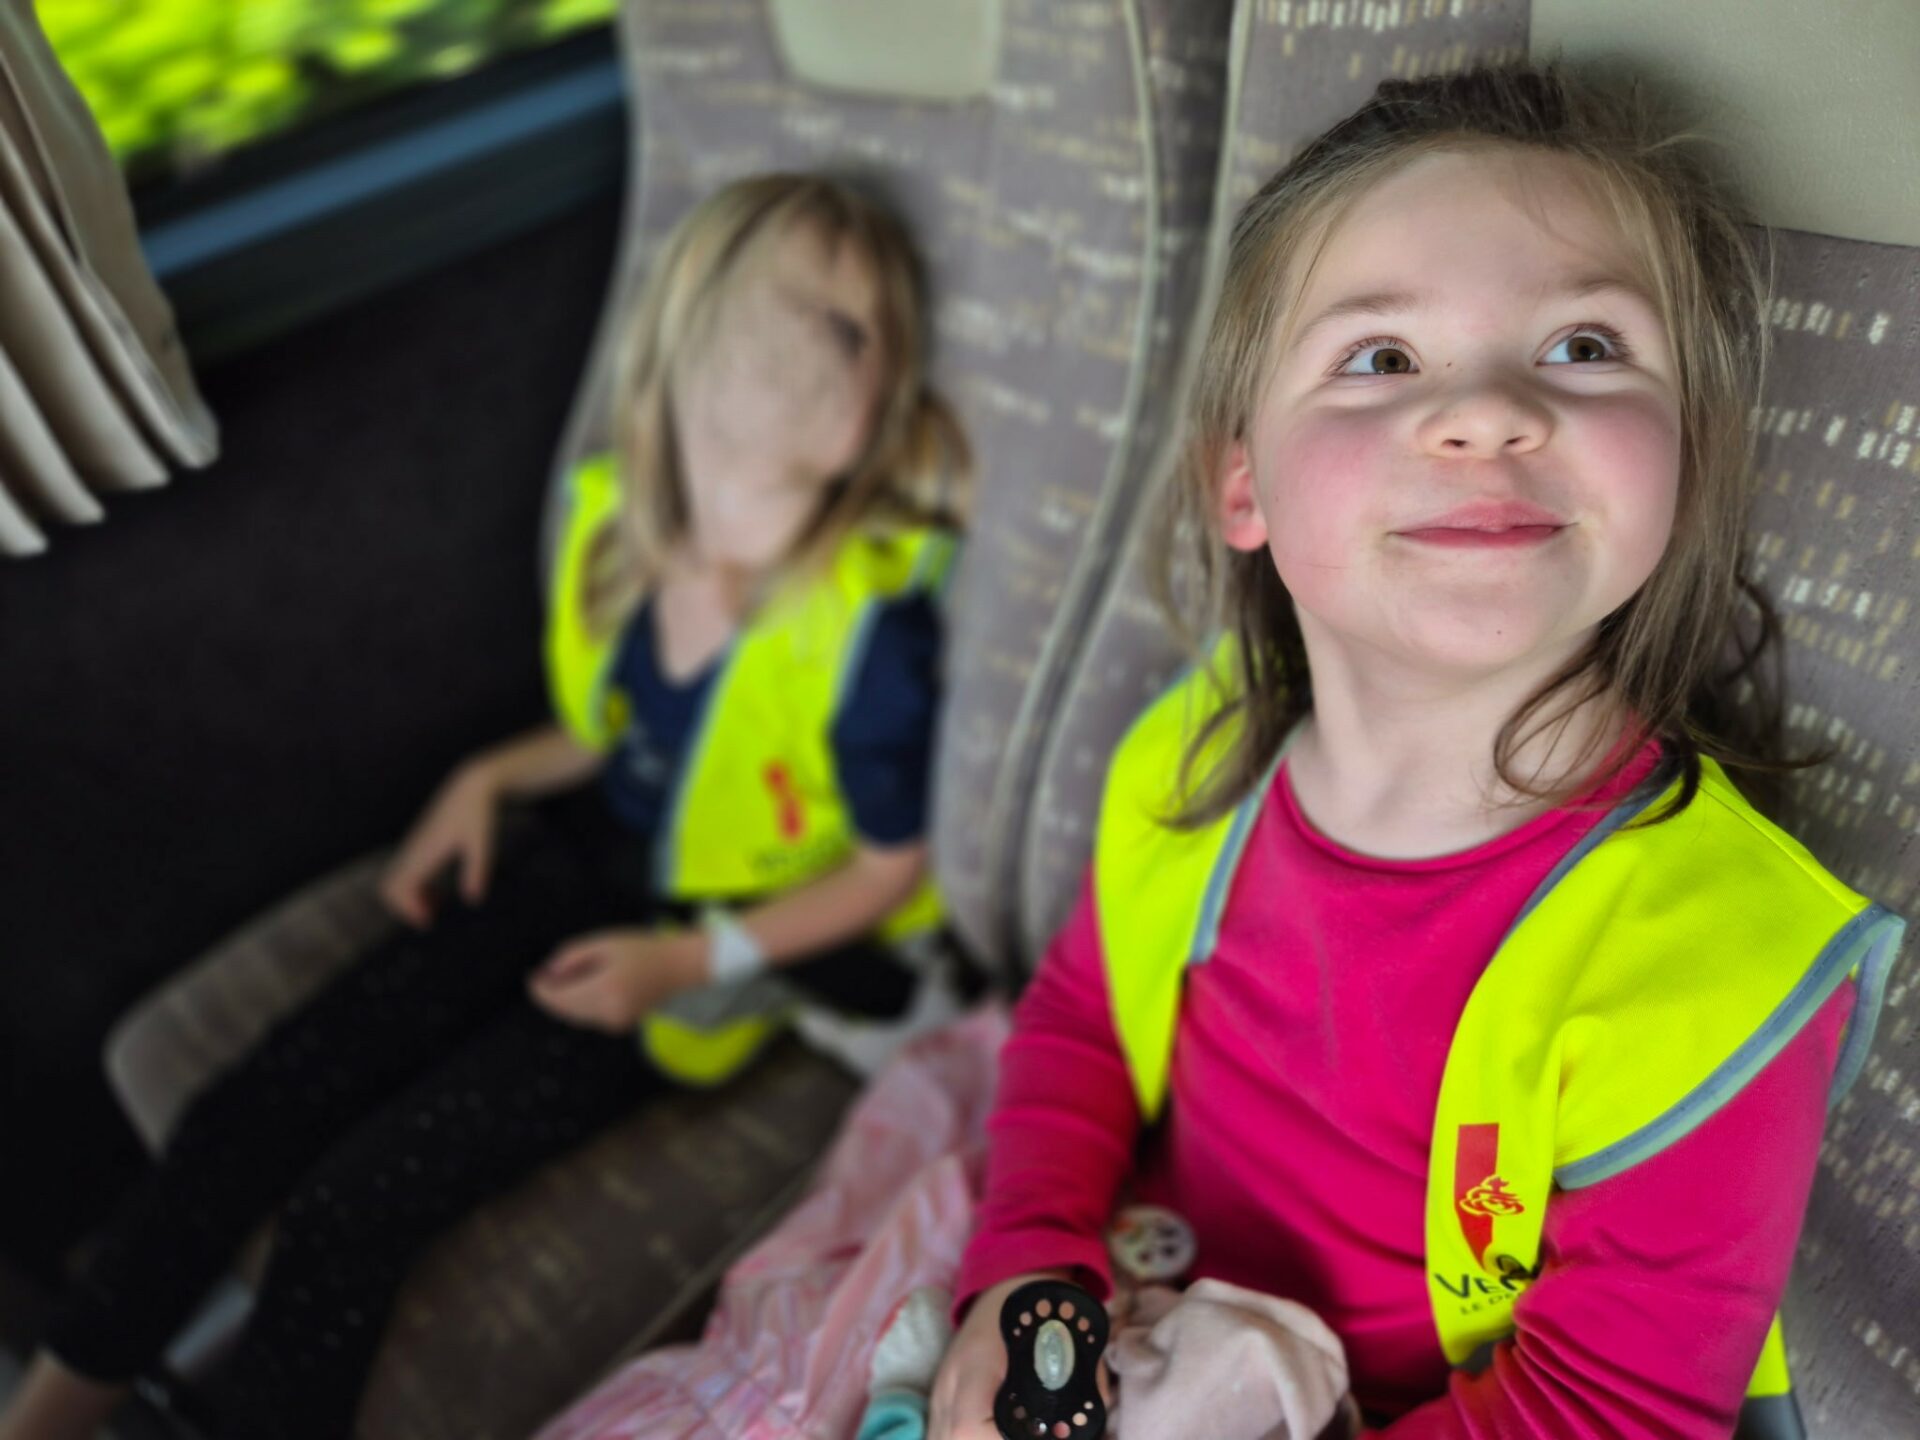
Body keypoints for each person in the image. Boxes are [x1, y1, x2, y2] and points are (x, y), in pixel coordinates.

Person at [924, 65, 1900, 1439]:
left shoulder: (1716, 964)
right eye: (1381, 360)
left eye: (1584, 346)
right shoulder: (1191, 759)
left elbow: (1596, 1415)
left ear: (1685, 463)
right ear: (1244, 484)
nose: (1489, 412)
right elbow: (1083, 1025)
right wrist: (1027, 1266)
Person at [0, 172, 969, 1440]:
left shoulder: (866, 632)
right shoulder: (625, 538)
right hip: (572, 857)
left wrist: (687, 962)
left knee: (355, 1207)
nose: (808, 348)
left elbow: (893, 866)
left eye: (852, 331)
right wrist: (486, 779)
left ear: (873, 406)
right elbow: (614, 733)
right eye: (788, 308)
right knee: (251, 1107)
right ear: (688, 336)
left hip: (695, 949)